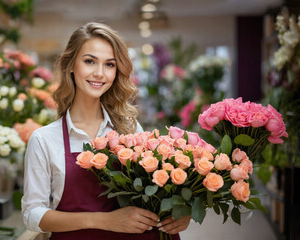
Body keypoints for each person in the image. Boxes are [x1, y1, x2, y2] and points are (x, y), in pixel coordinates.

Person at [21, 22, 191, 240]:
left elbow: (151, 196)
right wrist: (105, 220)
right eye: (90, 61)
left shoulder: (130, 129)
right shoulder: (44, 139)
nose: (100, 73)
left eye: (109, 65)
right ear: (71, 65)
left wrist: (176, 214)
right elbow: (32, 215)